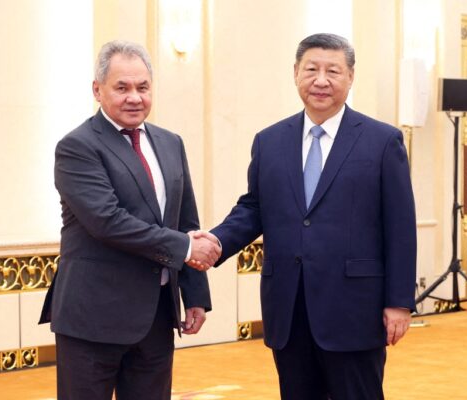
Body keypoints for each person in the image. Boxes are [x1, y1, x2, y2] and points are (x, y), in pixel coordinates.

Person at [193, 33, 417, 400]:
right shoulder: (270, 141)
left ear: (351, 77)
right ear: (295, 73)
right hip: (289, 308)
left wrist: (399, 301)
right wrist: (217, 241)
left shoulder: (381, 141)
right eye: (311, 69)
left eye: (333, 71)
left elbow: (401, 228)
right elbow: (254, 208)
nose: (321, 80)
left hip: (354, 309)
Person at [39, 40, 220, 400]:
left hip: (155, 316)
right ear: (97, 90)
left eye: (142, 87)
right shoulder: (77, 146)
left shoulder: (171, 143)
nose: (134, 97)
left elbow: (186, 218)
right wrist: (187, 247)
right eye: (121, 88)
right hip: (93, 318)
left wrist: (195, 293)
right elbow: (107, 221)